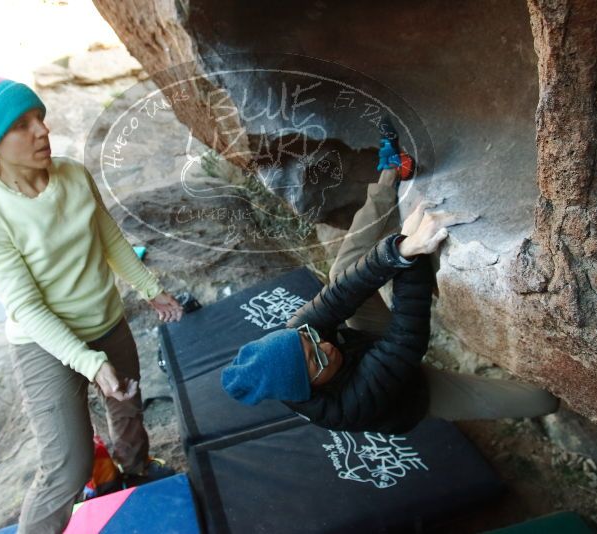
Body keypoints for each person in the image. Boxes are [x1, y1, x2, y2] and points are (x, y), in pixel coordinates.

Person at [0, 68, 184, 533]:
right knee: (65, 469)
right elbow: (27, 308)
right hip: (44, 345)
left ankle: (131, 473)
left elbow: (109, 239)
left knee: (128, 410)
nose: (41, 130)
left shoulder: (72, 172)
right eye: (21, 125)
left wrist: (152, 289)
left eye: (39, 117)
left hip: (106, 322)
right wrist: (89, 364)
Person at [221, 164, 560, 434]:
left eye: (309, 340)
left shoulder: (298, 336)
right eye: (316, 361)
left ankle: (388, 179)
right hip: (411, 391)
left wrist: (397, 251)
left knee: (342, 274)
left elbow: (341, 294)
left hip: (366, 342)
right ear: (306, 388)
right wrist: (411, 252)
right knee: (542, 400)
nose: (324, 347)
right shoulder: (344, 408)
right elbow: (404, 342)